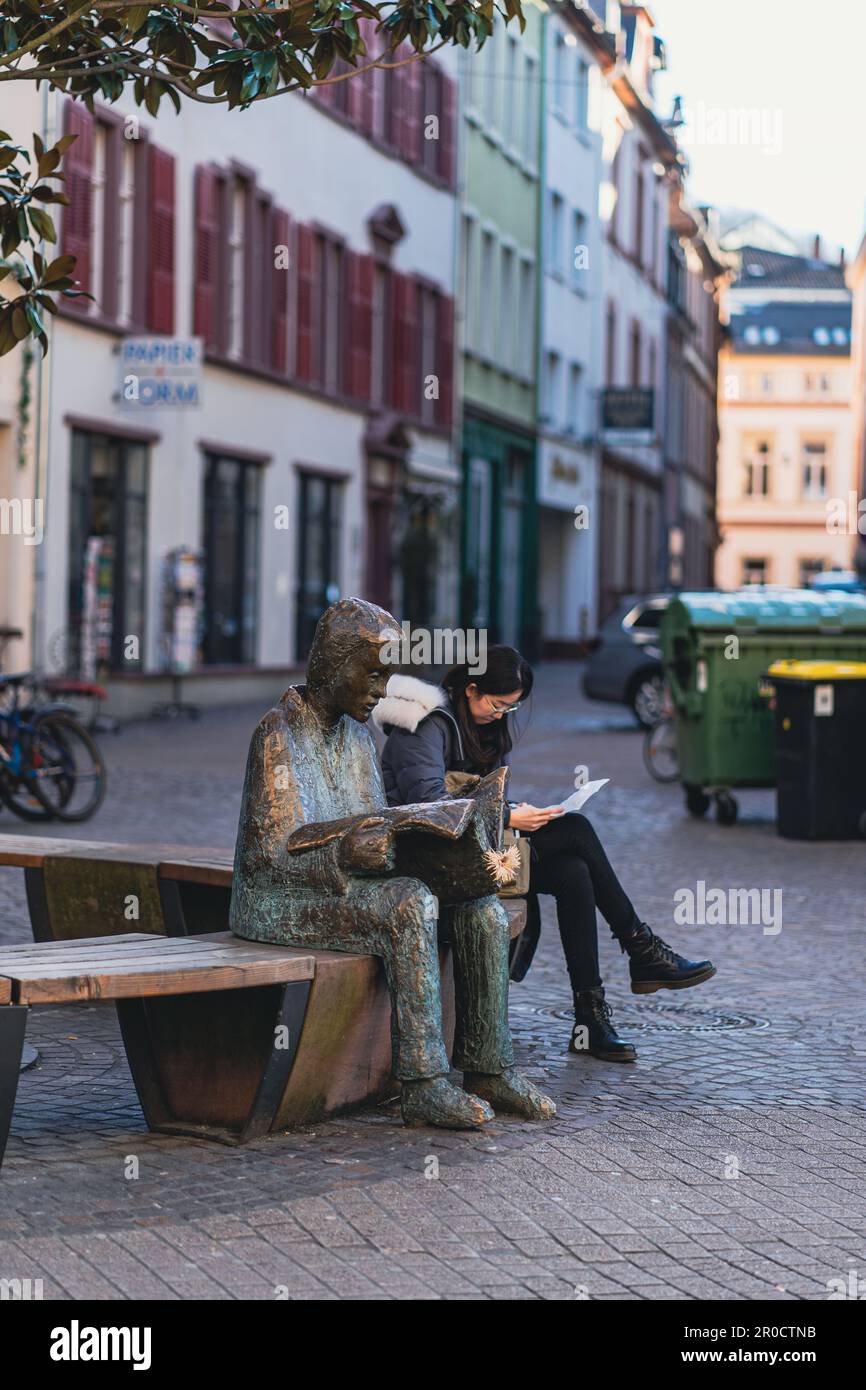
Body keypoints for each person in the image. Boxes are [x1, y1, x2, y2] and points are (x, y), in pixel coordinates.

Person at [230, 599, 555, 1129]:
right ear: (334, 663)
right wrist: (345, 850)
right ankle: (423, 1082)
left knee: (482, 911)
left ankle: (488, 1066)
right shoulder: (278, 735)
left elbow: (375, 823)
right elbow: (271, 856)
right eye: (375, 675)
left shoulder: (358, 736)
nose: (384, 691)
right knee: (409, 905)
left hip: (346, 883)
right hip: (280, 898)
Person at [375, 646, 716, 1063]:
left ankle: (591, 1020)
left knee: (575, 873)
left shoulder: (478, 728)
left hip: (471, 854)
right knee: (575, 830)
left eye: (511, 709)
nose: (502, 716)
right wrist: (509, 817)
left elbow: (482, 800)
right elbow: (429, 805)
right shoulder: (424, 724)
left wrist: (516, 813)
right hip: (426, 860)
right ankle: (640, 948)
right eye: (498, 705)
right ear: (470, 689)